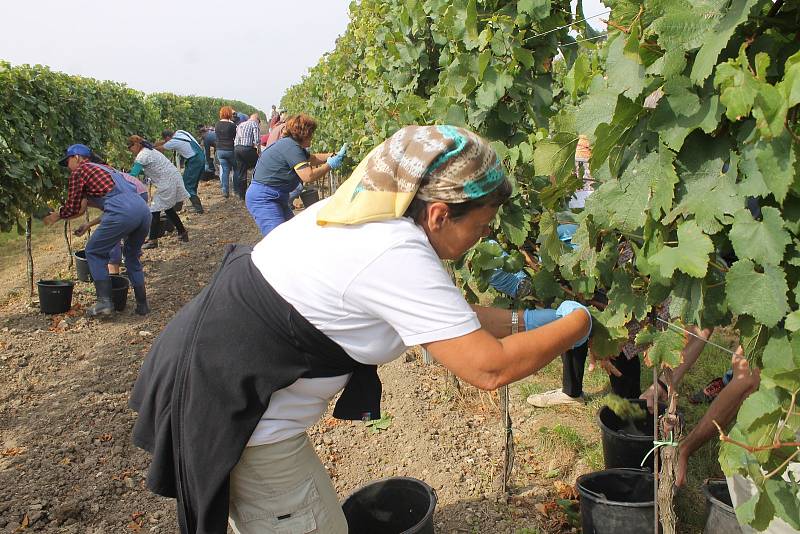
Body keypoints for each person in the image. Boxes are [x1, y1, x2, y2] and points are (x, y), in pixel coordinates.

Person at [129, 125, 593, 534]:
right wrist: (577, 323)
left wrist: (531, 321)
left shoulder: (371, 212)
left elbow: (445, 317)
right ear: (438, 215)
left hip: (209, 370)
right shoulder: (394, 251)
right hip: (233, 408)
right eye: (483, 224)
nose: (484, 236)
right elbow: (490, 369)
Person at [43, 144, 151, 316]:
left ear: (77, 157)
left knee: (93, 251)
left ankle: (105, 303)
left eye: (68, 161)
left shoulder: (80, 171)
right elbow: (84, 209)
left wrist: (56, 216)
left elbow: (73, 208)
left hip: (123, 210)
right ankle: (142, 305)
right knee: (132, 256)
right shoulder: (106, 169)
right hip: (142, 209)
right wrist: (86, 224)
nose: (67, 167)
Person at [245, 113, 344, 236]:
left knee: (292, 234)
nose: (312, 137)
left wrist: (333, 155)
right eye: (311, 133)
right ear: (304, 133)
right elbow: (308, 176)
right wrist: (330, 165)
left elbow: (312, 158)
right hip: (264, 199)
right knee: (278, 239)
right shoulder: (291, 147)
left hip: (276, 196)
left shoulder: (291, 145)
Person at [126, 135, 190, 249]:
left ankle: (153, 240)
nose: (129, 151)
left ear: (136, 145)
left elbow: (133, 175)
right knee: (168, 208)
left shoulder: (142, 155)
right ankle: (182, 232)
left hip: (167, 181)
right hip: (171, 178)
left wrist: (121, 180)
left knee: (154, 210)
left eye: (129, 147)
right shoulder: (149, 151)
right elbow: (145, 170)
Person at [157, 129, 206, 214]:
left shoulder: (173, 142)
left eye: (165, 139)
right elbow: (165, 142)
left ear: (168, 137)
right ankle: (180, 206)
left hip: (194, 161)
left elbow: (160, 149)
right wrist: (161, 142)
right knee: (191, 183)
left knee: (186, 185)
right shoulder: (180, 132)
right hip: (201, 156)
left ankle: (198, 208)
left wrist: (149, 147)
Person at [233, 113, 262, 200]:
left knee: (241, 171)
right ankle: (254, 188)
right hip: (246, 149)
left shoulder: (241, 124)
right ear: (257, 119)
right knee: (259, 165)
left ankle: (242, 195)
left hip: (237, 149)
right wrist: (259, 153)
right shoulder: (254, 124)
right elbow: (257, 140)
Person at [214, 106, 237, 198]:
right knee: (236, 169)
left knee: (225, 171)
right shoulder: (232, 125)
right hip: (230, 149)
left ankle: (225, 191)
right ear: (229, 114)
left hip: (220, 150)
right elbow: (234, 137)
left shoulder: (217, 124)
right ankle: (236, 190)